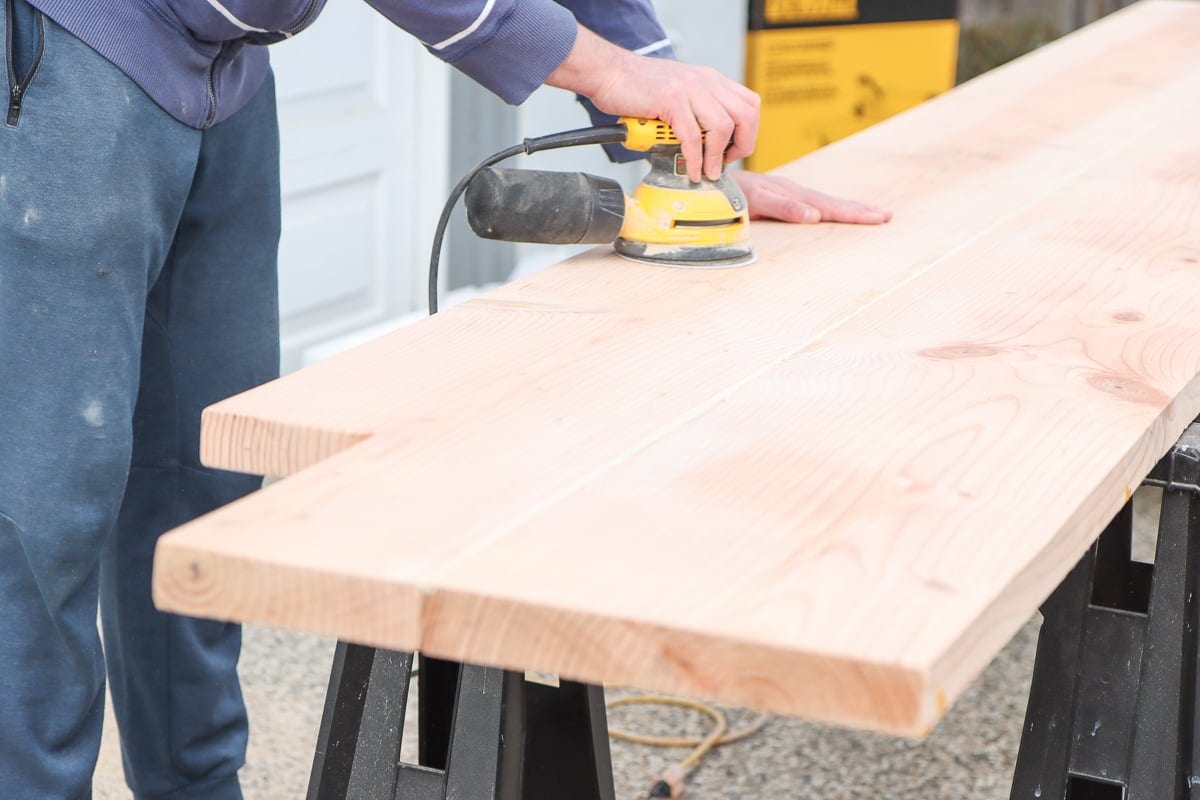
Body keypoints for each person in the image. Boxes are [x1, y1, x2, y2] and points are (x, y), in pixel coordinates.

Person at [0, 1, 890, 797]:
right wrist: (612, 71)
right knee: (45, 508)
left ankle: (196, 784)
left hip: (225, 71)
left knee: (200, 478)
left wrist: (678, 135)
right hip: (68, 52)